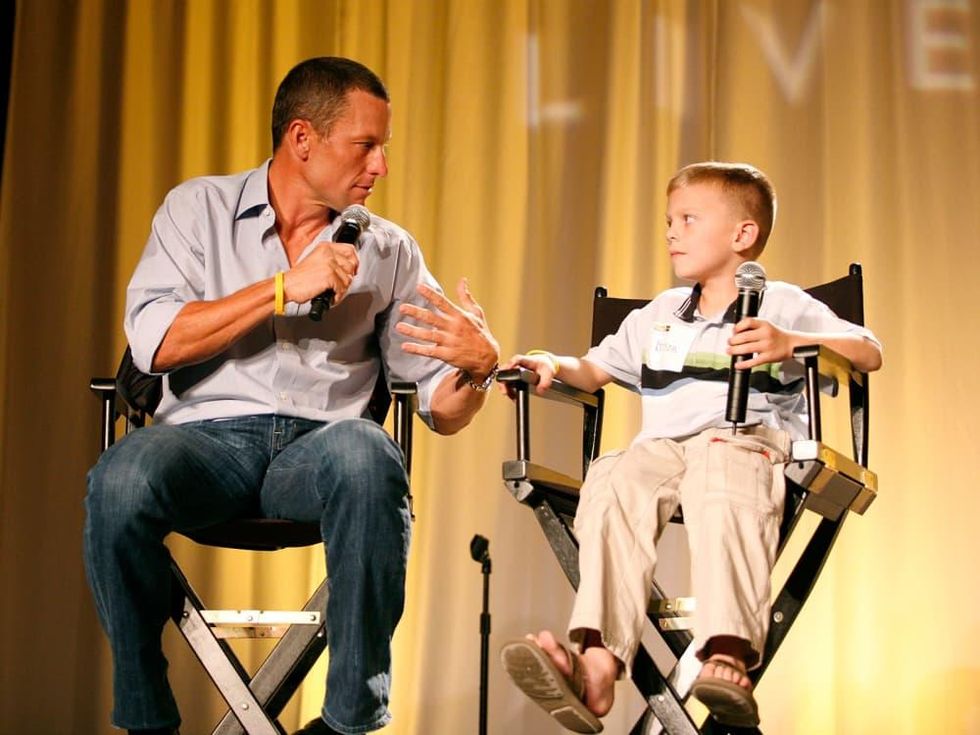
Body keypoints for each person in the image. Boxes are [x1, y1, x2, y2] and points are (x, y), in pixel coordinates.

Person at [84, 57, 500, 735]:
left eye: (384, 148)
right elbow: (153, 342)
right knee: (121, 478)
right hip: (203, 443)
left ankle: (347, 722)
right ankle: (146, 715)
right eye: (367, 146)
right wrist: (283, 288)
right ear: (302, 139)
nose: (381, 167)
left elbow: (439, 409)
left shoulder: (389, 250)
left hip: (320, 450)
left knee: (371, 453)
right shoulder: (199, 209)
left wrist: (478, 370)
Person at [499, 161, 882, 731]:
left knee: (720, 469)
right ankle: (598, 666)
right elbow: (595, 368)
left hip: (746, 443)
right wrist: (549, 364)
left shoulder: (780, 302)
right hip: (664, 448)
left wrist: (791, 341)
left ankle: (725, 651)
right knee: (613, 475)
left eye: (687, 219)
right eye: (668, 220)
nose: (671, 232)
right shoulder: (658, 316)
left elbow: (868, 351)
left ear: (742, 235)